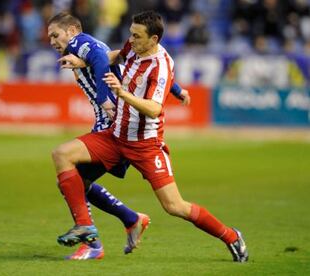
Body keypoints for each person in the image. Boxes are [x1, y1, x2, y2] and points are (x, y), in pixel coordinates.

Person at [52, 11, 249, 262]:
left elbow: (155, 109)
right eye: (131, 34)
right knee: (62, 156)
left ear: (153, 39)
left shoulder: (161, 66)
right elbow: (114, 55)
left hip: (145, 145)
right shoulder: (134, 45)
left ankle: (231, 236)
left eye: (137, 36)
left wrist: (121, 94)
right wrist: (85, 63)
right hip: (115, 136)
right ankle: (87, 229)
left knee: (175, 207)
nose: (131, 39)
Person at [47, 12, 190, 260]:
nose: (51, 41)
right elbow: (132, 64)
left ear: (72, 31)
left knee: (69, 172)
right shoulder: (87, 47)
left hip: (113, 123)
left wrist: (104, 99)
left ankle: (92, 243)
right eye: (49, 37)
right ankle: (130, 219)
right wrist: (176, 90)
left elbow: (102, 60)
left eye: (55, 35)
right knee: (75, 182)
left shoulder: (79, 42)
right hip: (117, 121)